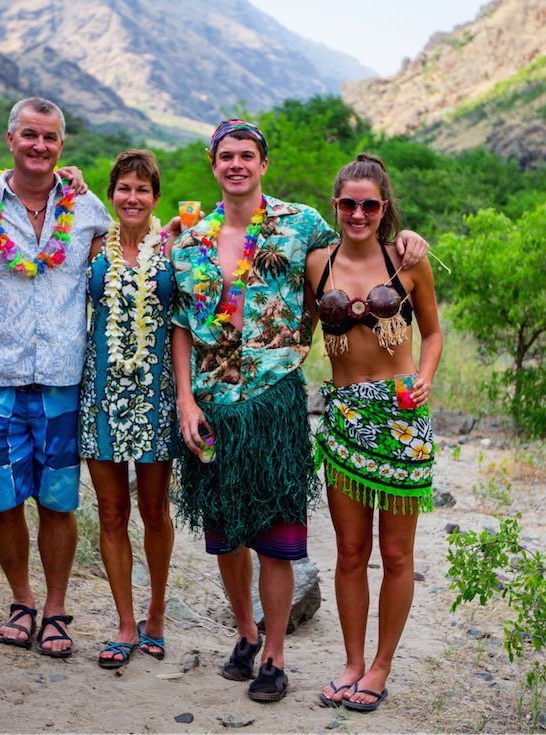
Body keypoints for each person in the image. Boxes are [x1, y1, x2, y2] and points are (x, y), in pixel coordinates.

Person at [170, 120, 429, 703]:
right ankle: (244, 635)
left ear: (263, 163)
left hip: (277, 396)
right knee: (224, 533)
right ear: (213, 164)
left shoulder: (302, 224)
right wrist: (185, 399)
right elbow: (181, 324)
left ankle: (276, 656)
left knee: (278, 536)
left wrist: (409, 237)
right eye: (226, 156)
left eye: (248, 155)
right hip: (213, 400)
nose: (237, 164)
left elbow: (360, 250)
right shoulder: (187, 239)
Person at [0, 97, 111, 657]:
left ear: (61, 146)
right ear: (10, 140)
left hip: (61, 378)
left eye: (49, 137)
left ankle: (54, 609)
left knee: (58, 499)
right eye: (29, 135)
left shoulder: (89, 208)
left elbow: (131, 253)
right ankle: (20, 600)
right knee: (2, 499)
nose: (39, 146)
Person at [307, 154, 442, 712]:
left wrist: (425, 379)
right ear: (335, 206)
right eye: (348, 203)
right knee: (349, 551)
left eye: (369, 204)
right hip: (343, 417)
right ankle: (353, 662)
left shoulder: (408, 261)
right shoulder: (317, 262)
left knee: (397, 553)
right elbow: (289, 330)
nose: (357, 213)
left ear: (383, 209)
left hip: (400, 418)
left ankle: (381, 667)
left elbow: (432, 334)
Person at [79, 150, 178, 669]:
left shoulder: (175, 248)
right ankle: (123, 621)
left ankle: (157, 614)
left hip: (157, 395)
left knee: (154, 511)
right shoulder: (93, 247)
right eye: (123, 188)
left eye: (142, 189)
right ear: (111, 195)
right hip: (101, 396)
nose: (132, 197)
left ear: (155, 198)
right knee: (111, 512)